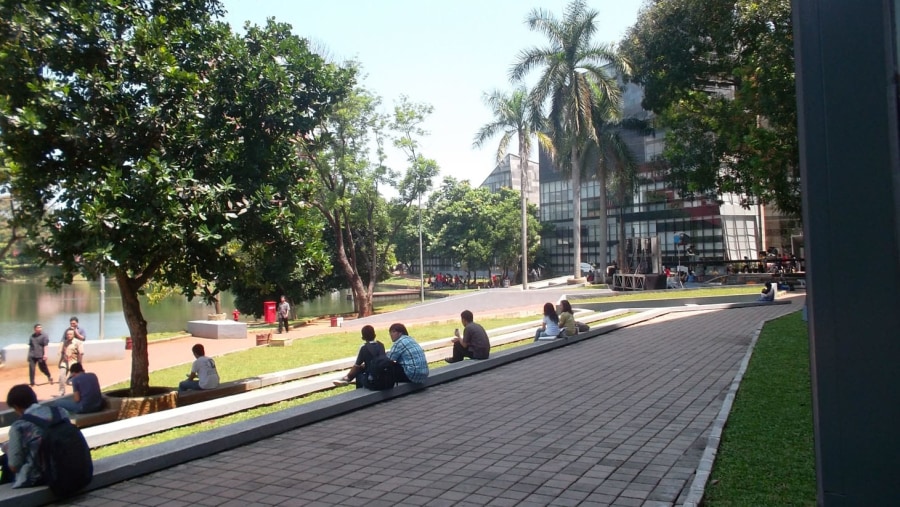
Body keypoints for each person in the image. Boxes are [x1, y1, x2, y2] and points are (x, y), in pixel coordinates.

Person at [0, 385, 67, 488]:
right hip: (67, 466)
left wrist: (9, 450)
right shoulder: (60, 412)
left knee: (6, 460)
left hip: (40, 476)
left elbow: (14, 466)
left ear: (16, 407)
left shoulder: (19, 426)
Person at [56, 328, 79, 397]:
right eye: (67, 334)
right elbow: (62, 354)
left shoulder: (77, 342)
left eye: (70, 334)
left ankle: (77, 392)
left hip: (73, 362)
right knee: (62, 375)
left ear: (73, 335)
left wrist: (79, 363)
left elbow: (80, 354)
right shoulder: (64, 343)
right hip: (65, 362)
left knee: (76, 379)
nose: (69, 335)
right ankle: (61, 391)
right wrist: (60, 362)